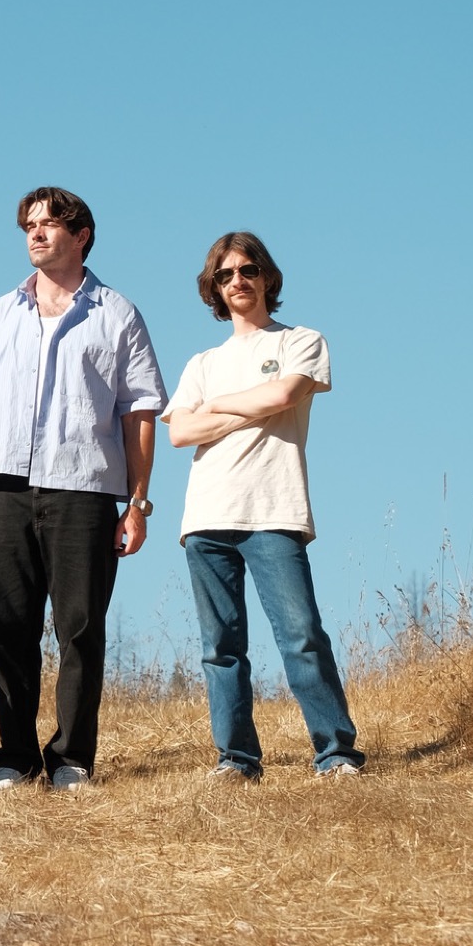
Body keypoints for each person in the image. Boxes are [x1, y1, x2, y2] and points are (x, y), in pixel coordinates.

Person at [0, 186, 166, 790]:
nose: (36, 233)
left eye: (50, 224)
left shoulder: (117, 314)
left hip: (86, 490)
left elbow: (140, 414)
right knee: (3, 626)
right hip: (5, 491)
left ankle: (72, 759)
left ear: (82, 236)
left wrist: (138, 501)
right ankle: (14, 760)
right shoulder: (0, 313)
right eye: (30, 225)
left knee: (79, 628)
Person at [163, 233, 361, 781]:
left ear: (267, 277)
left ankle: (336, 754)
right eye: (224, 275)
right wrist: (239, 410)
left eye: (247, 270)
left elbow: (282, 396)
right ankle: (237, 760)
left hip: (274, 511)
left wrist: (221, 406)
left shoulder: (301, 340)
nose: (237, 282)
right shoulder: (203, 361)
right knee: (220, 648)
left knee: (301, 636)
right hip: (206, 516)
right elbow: (180, 432)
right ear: (214, 289)